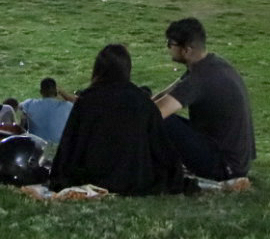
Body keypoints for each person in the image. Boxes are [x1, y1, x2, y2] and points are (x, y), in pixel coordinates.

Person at [47, 44, 183, 195]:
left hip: (93, 176)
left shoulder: (87, 100)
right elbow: (161, 149)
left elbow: (70, 147)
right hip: (136, 178)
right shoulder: (141, 101)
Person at [154, 17, 256, 180]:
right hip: (234, 160)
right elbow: (165, 95)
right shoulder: (212, 65)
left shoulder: (201, 78)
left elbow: (156, 113)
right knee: (163, 119)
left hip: (225, 166)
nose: (168, 48)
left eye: (170, 44)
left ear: (186, 50)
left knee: (160, 121)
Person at [20, 78, 74, 145]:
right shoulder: (67, 105)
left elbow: (15, 107)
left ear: (41, 92)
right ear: (56, 92)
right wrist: (63, 94)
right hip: (59, 146)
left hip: (36, 146)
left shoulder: (29, 104)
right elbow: (78, 103)